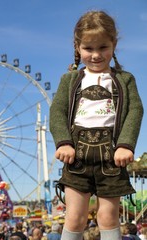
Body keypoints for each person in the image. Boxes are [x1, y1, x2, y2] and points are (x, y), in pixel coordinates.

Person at [50, 10, 143, 240]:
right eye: (88, 49)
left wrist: (126, 145)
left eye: (103, 47)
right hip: (77, 155)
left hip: (111, 154)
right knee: (75, 217)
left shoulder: (124, 79)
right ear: (77, 47)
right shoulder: (70, 80)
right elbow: (57, 111)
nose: (95, 55)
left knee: (108, 216)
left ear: (113, 44)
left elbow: (135, 110)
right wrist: (63, 142)